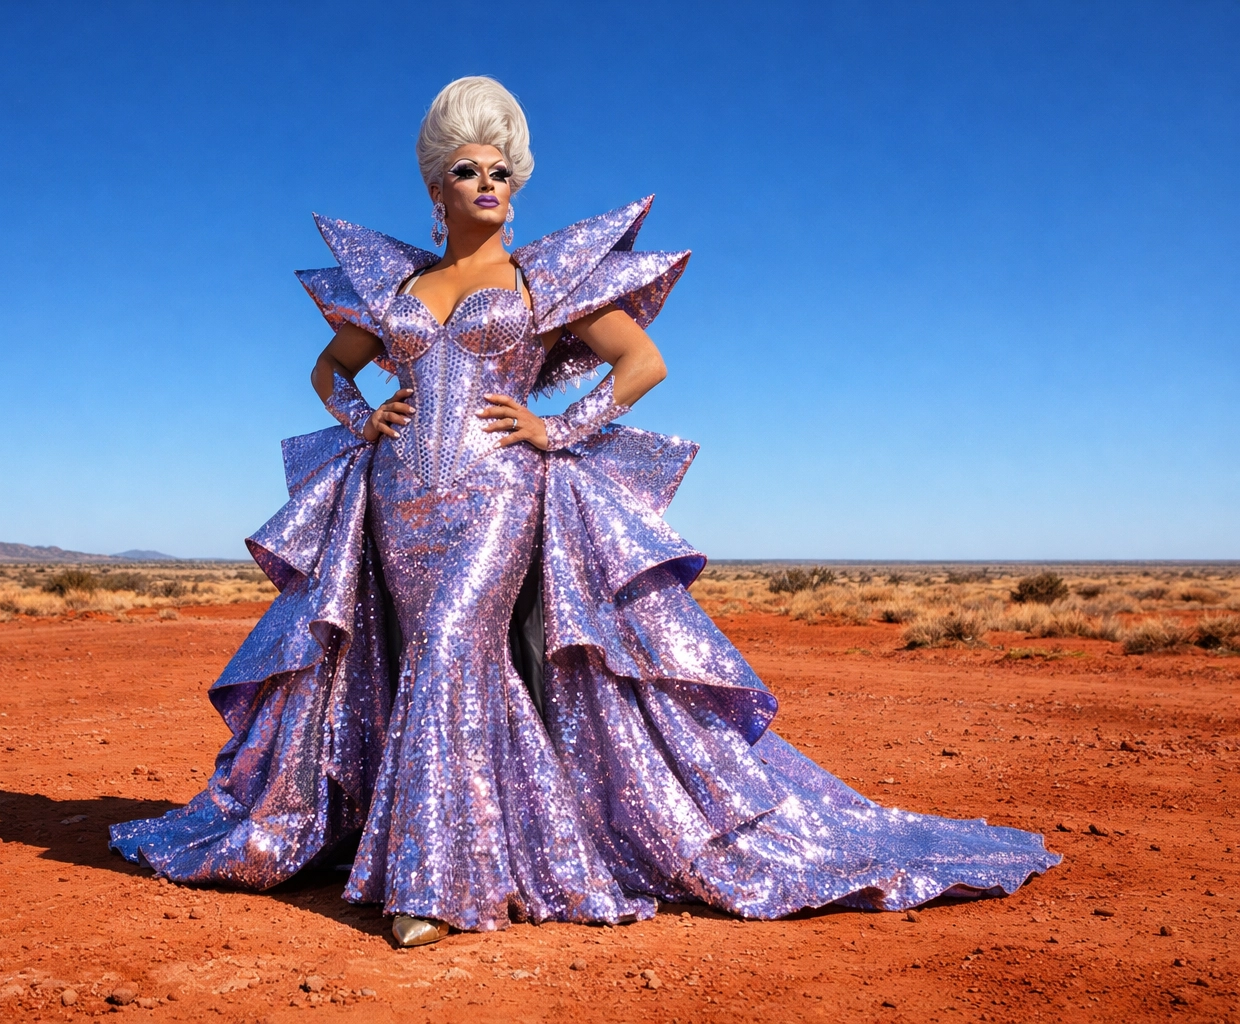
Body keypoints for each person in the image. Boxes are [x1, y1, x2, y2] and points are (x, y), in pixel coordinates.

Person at [111, 76, 1059, 947]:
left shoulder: (541, 280)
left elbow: (643, 362)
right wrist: (364, 419)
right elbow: (327, 369)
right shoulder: (398, 289)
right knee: (416, 655)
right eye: (468, 171)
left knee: (453, 644)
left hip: (498, 492)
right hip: (398, 501)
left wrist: (558, 429)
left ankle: (434, 884)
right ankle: (441, 847)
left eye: (501, 172)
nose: (489, 183)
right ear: (437, 190)